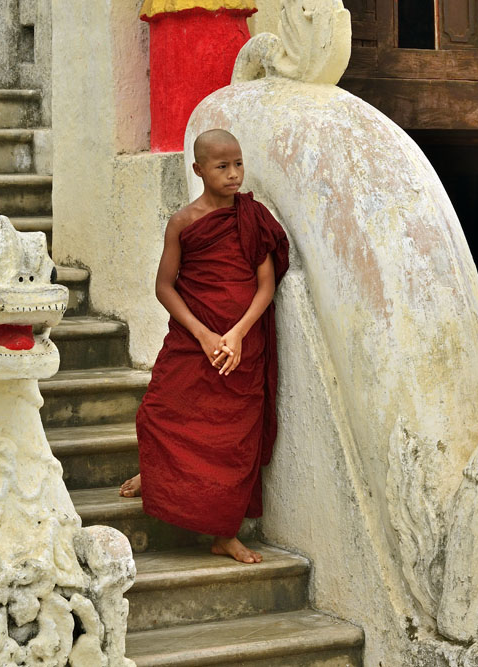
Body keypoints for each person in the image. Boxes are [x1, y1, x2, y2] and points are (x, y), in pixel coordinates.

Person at [119, 129, 289, 564]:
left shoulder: (252, 218)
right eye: (222, 166)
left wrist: (237, 333)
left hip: (241, 347)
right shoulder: (184, 222)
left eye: (238, 164)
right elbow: (164, 286)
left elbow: (266, 284)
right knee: (159, 412)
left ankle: (224, 534)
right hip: (194, 341)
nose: (233, 174)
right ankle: (157, 476)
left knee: (233, 442)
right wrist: (203, 334)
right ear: (198, 169)